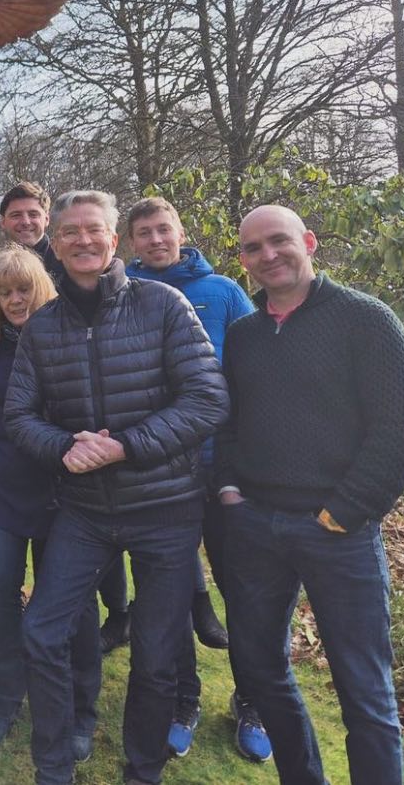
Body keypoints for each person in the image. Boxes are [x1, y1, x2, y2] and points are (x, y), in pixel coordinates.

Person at [6, 190, 229, 785]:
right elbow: (19, 415)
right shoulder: (43, 327)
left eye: (94, 229)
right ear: (54, 244)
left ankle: (142, 770)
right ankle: (54, 769)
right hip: (82, 511)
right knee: (43, 631)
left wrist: (125, 445)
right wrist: (65, 449)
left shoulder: (164, 306)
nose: (83, 240)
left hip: (165, 509)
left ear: (114, 240)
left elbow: (207, 398)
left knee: (156, 658)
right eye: (70, 232)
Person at [216, 205, 404, 785]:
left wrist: (342, 512)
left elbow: (399, 432)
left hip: (341, 533)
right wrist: (230, 491)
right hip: (256, 525)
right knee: (260, 668)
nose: (268, 255)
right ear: (244, 260)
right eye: (254, 248)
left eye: (279, 241)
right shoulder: (244, 335)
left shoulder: (366, 320)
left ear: (308, 241)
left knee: (364, 690)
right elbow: (228, 423)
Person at [115, 196, 269, 762]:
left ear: (181, 233)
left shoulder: (224, 293)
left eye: (163, 230)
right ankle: (184, 698)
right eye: (144, 233)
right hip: (154, 473)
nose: (155, 240)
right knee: (168, 596)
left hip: (223, 470)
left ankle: (252, 701)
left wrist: (248, 463)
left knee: (244, 593)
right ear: (130, 242)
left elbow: (257, 379)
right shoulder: (119, 293)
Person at [0, 246, 99, 748]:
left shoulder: (71, 343)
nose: (14, 300)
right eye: (4, 292)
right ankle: (4, 691)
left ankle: (78, 708)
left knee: (70, 602)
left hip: (63, 494)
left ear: (42, 289)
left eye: (23, 290)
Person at [0, 181, 63, 280]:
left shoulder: (67, 265)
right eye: (16, 215)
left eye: (33, 214)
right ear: (3, 222)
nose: (26, 222)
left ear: (47, 219)